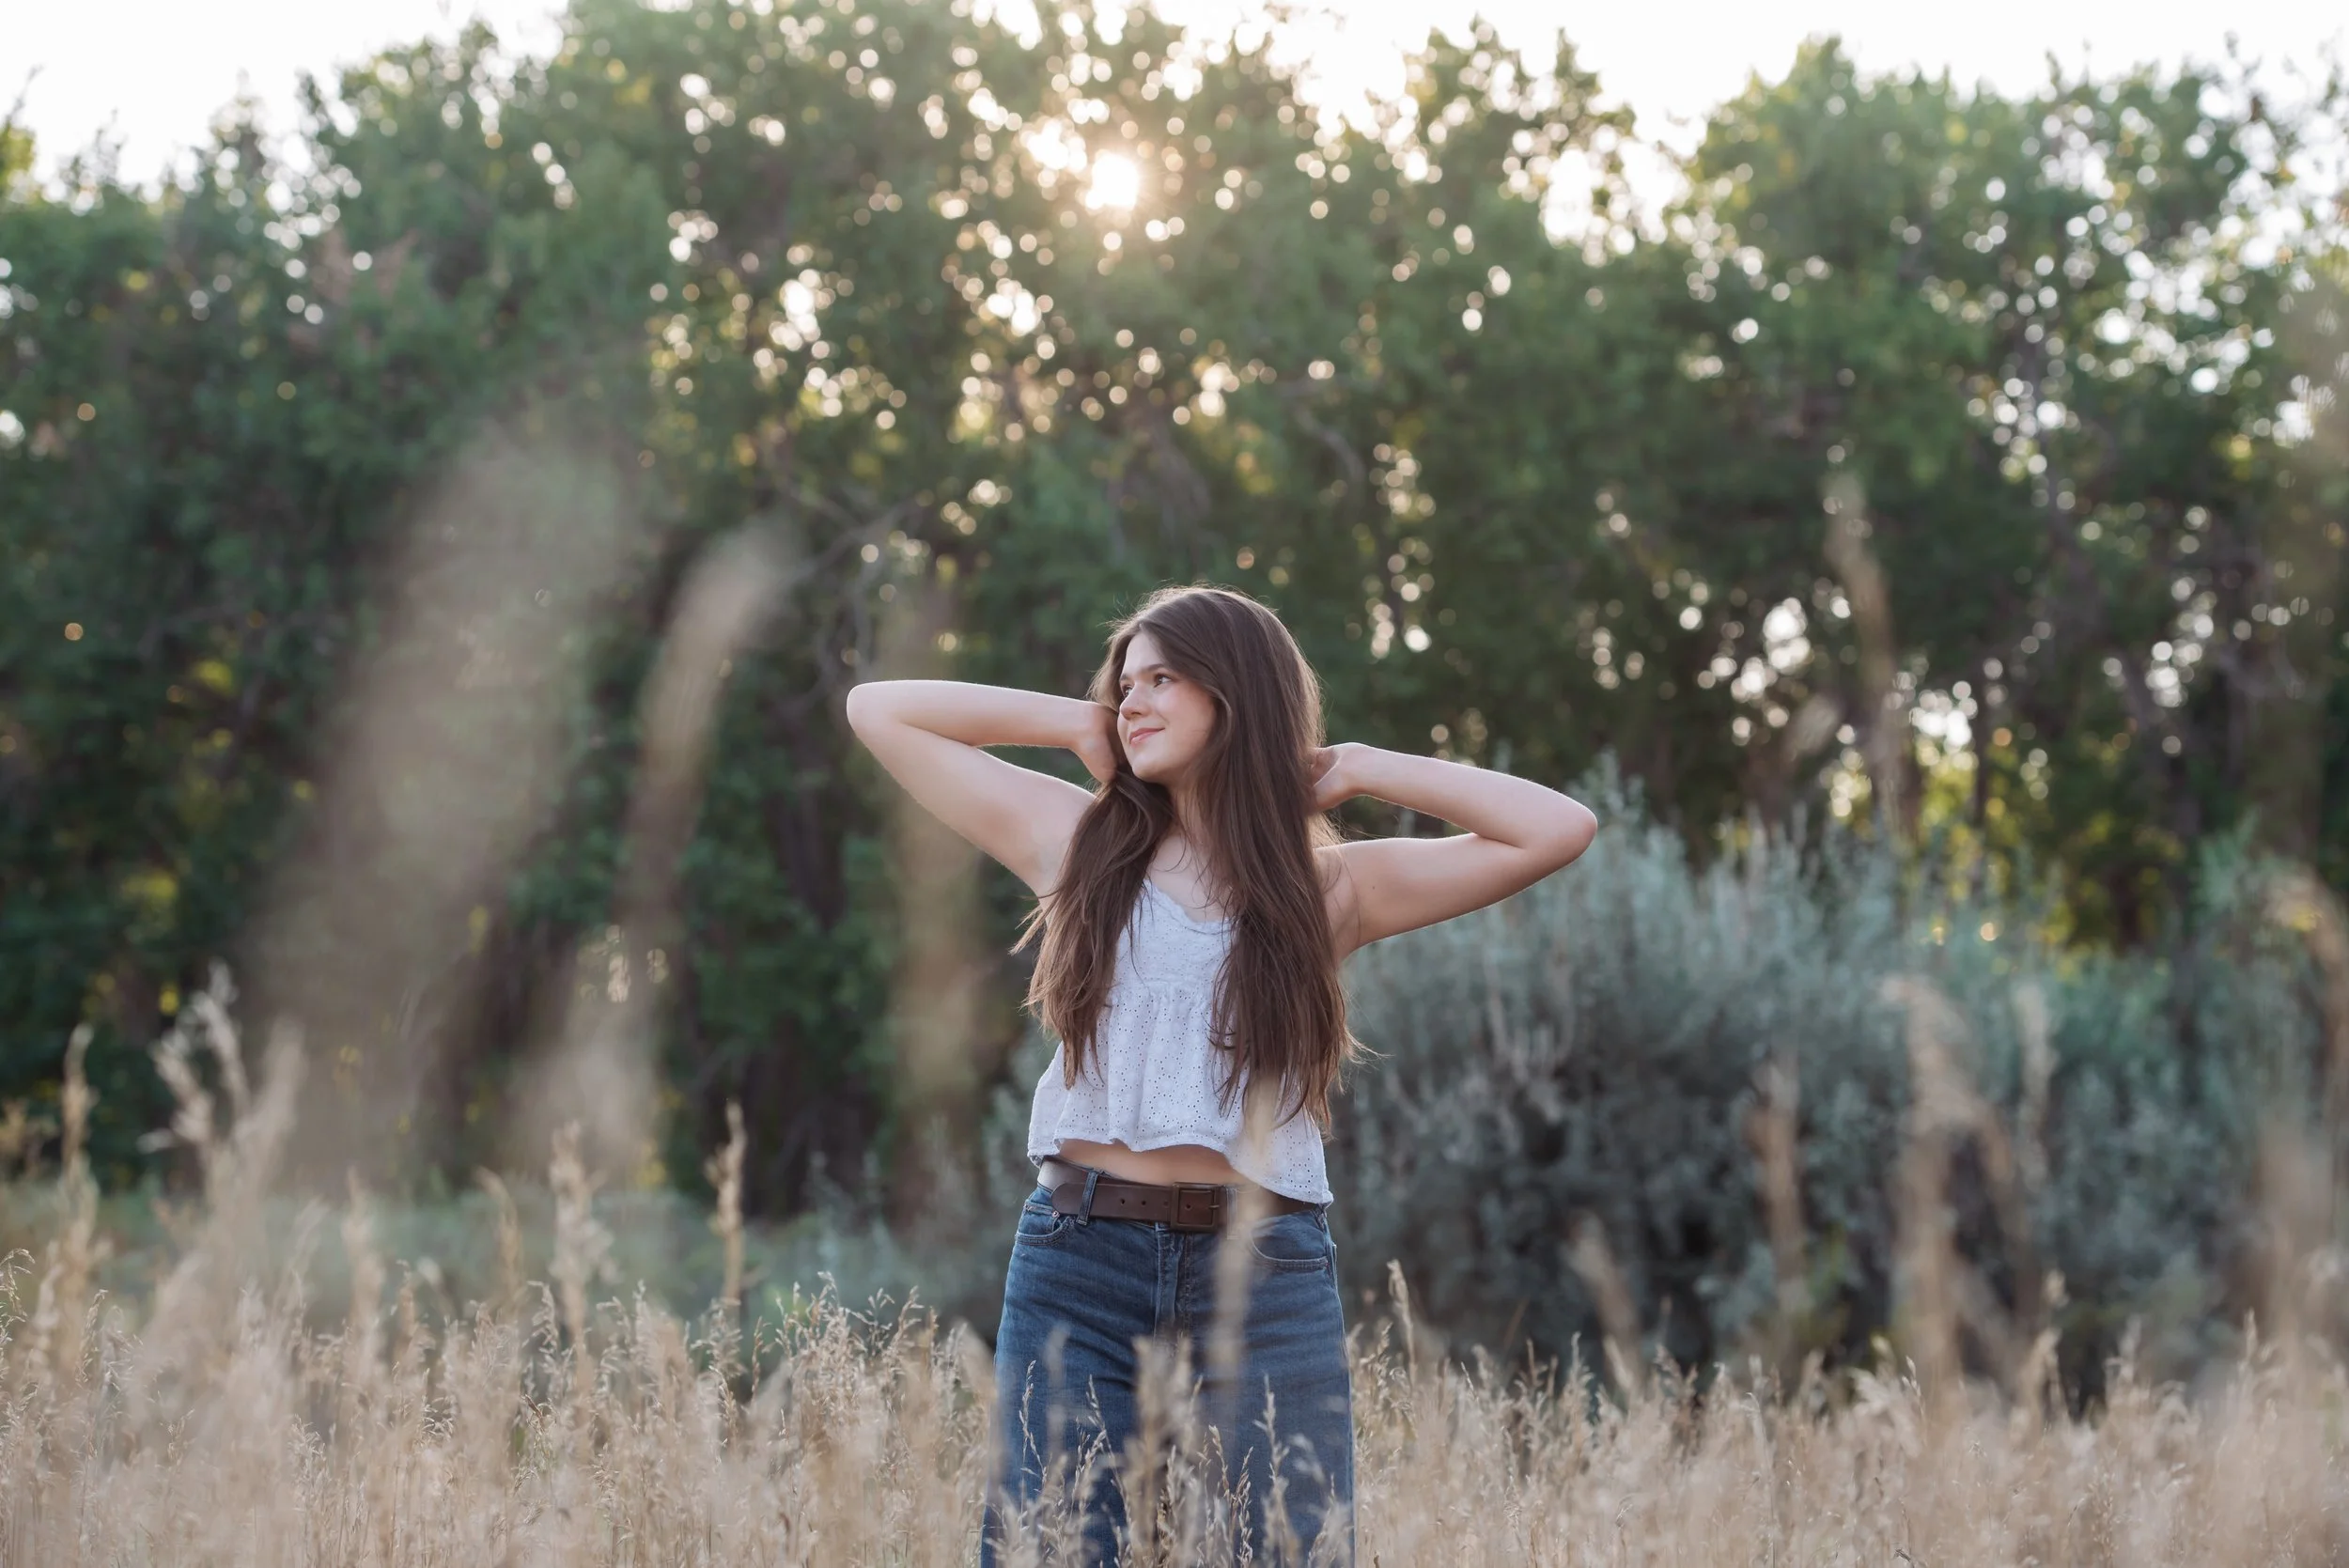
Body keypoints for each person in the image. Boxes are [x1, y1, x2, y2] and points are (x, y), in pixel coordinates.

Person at [844, 583, 1597, 1565]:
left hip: (1266, 1268)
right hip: (1079, 1255)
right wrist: (1078, 723)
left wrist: (1357, 768)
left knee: (1289, 1550)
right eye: (1126, 684)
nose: (1135, 701)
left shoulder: (1326, 888)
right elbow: (878, 709)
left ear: (1235, 695)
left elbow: (1558, 827)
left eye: (1163, 679)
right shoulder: (1076, 844)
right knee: (1051, 1549)